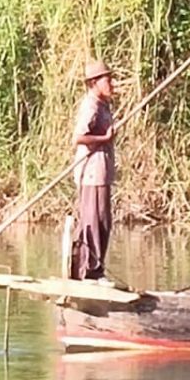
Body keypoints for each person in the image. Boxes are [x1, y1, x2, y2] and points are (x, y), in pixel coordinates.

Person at [71, 59, 117, 281]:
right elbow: (78, 138)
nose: (112, 84)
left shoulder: (103, 104)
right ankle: (88, 271)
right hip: (91, 172)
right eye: (108, 80)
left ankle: (97, 268)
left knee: (104, 221)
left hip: (102, 172)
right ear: (94, 83)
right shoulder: (91, 106)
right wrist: (105, 138)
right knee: (93, 221)